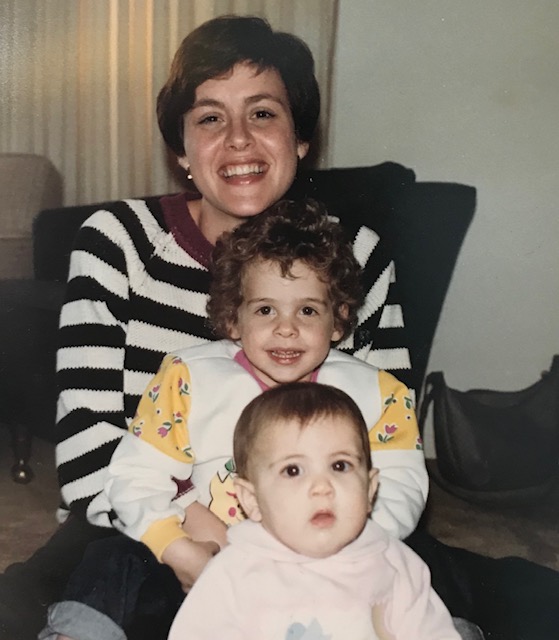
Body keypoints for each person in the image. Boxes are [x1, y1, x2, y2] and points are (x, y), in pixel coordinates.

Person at [0, 17, 410, 640]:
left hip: (317, 536)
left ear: (301, 140)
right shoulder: (119, 245)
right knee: (38, 604)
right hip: (137, 528)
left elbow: (387, 439)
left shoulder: (355, 254)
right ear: (181, 150)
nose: (240, 140)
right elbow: (88, 458)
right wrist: (187, 533)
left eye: (264, 113)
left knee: (452, 591)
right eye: (211, 118)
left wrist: (295, 552)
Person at [40, 198, 429, 639]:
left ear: (339, 320)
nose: (287, 328)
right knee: (114, 559)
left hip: (331, 564)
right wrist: (177, 547)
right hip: (208, 558)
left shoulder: (377, 393)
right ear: (232, 318)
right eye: (265, 310)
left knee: (413, 570)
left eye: (308, 310)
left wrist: (349, 548)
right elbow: (135, 475)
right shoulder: (189, 378)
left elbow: (402, 483)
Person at [169, 381, 462, 640]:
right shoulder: (234, 573)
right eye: (293, 470)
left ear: (371, 489)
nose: (322, 486)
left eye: (340, 465)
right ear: (251, 500)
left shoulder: (394, 563)